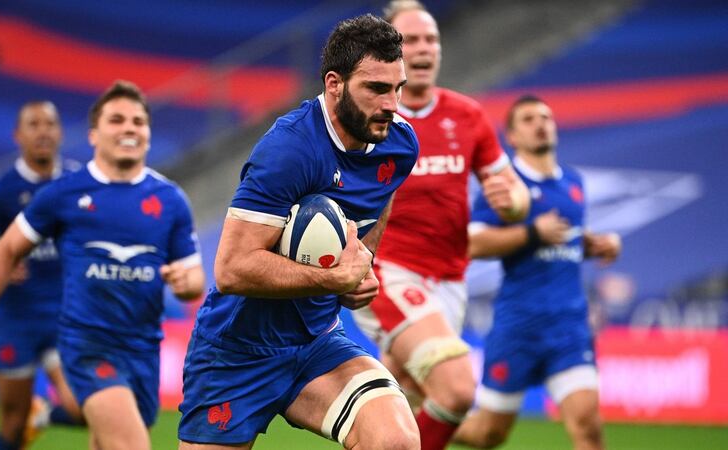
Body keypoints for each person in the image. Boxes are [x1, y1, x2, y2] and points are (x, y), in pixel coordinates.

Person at [178, 14, 420, 450]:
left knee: (395, 441)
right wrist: (333, 279)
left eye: (398, 88)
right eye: (377, 89)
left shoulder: (398, 142)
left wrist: (362, 262)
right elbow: (232, 269)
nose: (392, 105)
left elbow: (383, 192)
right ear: (334, 84)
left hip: (317, 343)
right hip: (238, 351)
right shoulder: (290, 149)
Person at [0, 81, 206, 450]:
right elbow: (5, 249)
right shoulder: (63, 193)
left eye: (138, 121)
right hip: (87, 345)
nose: (129, 128)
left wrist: (186, 282)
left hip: (142, 349)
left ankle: (42, 415)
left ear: (148, 134)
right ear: (93, 134)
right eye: (116, 120)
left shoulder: (170, 199)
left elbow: (195, 278)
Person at [349, 2, 529, 449]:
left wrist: (512, 203)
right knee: (457, 390)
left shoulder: (466, 116)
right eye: (411, 40)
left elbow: (514, 194)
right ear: (390, 53)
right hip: (388, 272)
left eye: (432, 39)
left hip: (450, 281)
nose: (425, 48)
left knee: (398, 410)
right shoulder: (371, 120)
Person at [453, 95, 621, 450]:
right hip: (519, 328)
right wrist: (532, 233)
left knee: (588, 426)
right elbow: (474, 244)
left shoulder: (573, 183)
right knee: (488, 435)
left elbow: (567, 240)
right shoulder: (504, 186)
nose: (541, 123)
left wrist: (597, 245)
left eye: (546, 117)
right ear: (511, 137)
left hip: (569, 328)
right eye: (529, 119)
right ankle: (420, 423)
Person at [0, 100, 83, 450]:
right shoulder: (1, 193)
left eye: (50, 123)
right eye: (34, 124)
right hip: (14, 322)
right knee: (11, 426)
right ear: (18, 135)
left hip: (65, 320)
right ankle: (26, 421)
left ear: (60, 132)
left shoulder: (78, 181)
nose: (43, 131)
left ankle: (40, 416)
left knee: (85, 406)